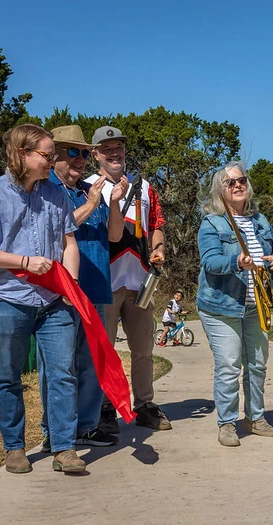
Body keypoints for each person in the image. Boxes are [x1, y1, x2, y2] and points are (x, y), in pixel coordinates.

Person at [0, 124, 85, 474]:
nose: (54, 160)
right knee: (8, 375)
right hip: (6, 299)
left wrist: (71, 286)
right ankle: (14, 448)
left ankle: (64, 447)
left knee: (63, 373)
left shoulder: (57, 194)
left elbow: (69, 245)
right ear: (22, 154)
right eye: (48, 155)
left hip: (54, 302)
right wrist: (24, 262)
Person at [38, 125, 128, 453]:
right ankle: (56, 431)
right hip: (60, 291)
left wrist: (113, 202)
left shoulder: (90, 190)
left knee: (91, 363)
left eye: (84, 153)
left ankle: (86, 428)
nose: (80, 160)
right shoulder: (45, 189)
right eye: (72, 152)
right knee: (59, 366)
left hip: (95, 287)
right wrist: (92, 203)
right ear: (54, 156)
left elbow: (115, 236)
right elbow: (52, 231)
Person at [86, 126, 171, 432]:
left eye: (118, 147)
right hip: (102, 282)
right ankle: (105, 408)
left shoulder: (145, 187)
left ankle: (145, 405)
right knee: (104, 351)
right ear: (95, 154)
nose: (114, 153)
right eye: (107, 149)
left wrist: (158, 249)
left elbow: (156, 223)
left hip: (140, 281)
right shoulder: (86, 187)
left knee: (144, 349)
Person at [196, 161, 273, 447]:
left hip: (255, 303)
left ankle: (255, 418)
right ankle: (227, 423)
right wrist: (236, 261)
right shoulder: (212, 222)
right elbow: (210, 261)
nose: (238, 186)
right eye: (230, 182)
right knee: (229, 365)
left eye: (242, 181)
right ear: (219, 191)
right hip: (221, 305)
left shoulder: (260, 219)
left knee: (258, 364)